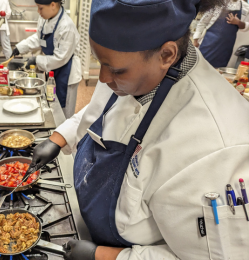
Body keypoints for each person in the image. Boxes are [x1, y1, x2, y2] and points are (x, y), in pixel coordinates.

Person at [27, 0, 249, 259]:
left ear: (167, 55)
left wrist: (106, 256)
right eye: (100, 63)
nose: (103, 78)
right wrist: (59, 137)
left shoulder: (217, 143)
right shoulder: (127, 69)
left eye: (116, 70)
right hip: (86, 222)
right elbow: (100, 111)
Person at [11, 0, 82, 119]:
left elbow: (61, 58)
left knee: (64, 112)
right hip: (53, 68)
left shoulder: (66, 26)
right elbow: (39, 38)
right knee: (53, 103)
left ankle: (66, 136)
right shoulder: (45, 18)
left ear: (53, 5)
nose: (38, 12)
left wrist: (36, 61)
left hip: (67, 71)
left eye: (40, 8)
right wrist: (20, 47)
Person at [193, 0, 249, 68]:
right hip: (209, 44)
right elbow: (203, 23)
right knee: (201, 66)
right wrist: (195, 40)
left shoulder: (245, 7)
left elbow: (246, 26)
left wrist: (238, 22)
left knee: (219, 70)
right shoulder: (217, 3)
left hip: (227, 47)